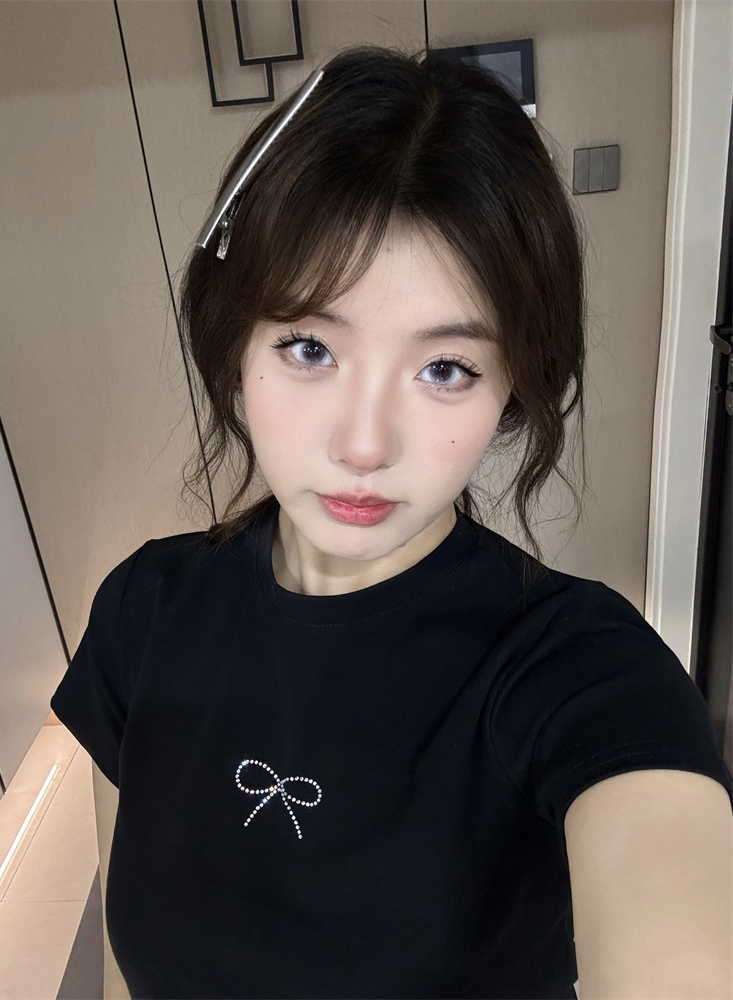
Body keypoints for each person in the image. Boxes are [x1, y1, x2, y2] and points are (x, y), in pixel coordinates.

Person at [51, 45, 733, 1000]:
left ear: (510, 390)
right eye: (308, 348)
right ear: (235, 348)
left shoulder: (579, 671)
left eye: (444, 369)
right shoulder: (142, 613)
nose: (364, 444)